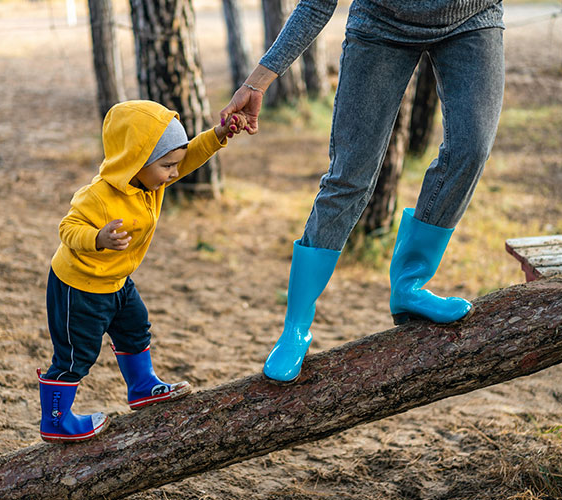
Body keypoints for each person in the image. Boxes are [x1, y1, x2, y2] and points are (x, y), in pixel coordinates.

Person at [220, 1, 505, 383]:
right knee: (349, 177)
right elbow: (316, 5)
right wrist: (258, 81)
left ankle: (409, 285)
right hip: (381, 25)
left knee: (470, 151)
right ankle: (296, 328)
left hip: (473, 18)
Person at [38, 100, 247, 442]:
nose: (174, 173)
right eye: (167, 166)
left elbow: (189, 156)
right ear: (136, 161)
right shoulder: (99, 196)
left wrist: (219, 134)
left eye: (174, 165)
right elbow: (67, 227)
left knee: (136, 328)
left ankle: (142, 386)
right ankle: (56, 420)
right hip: (81, 287)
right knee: (77, 354)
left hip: (118, 281)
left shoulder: (152, 180)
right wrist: (98, 237)